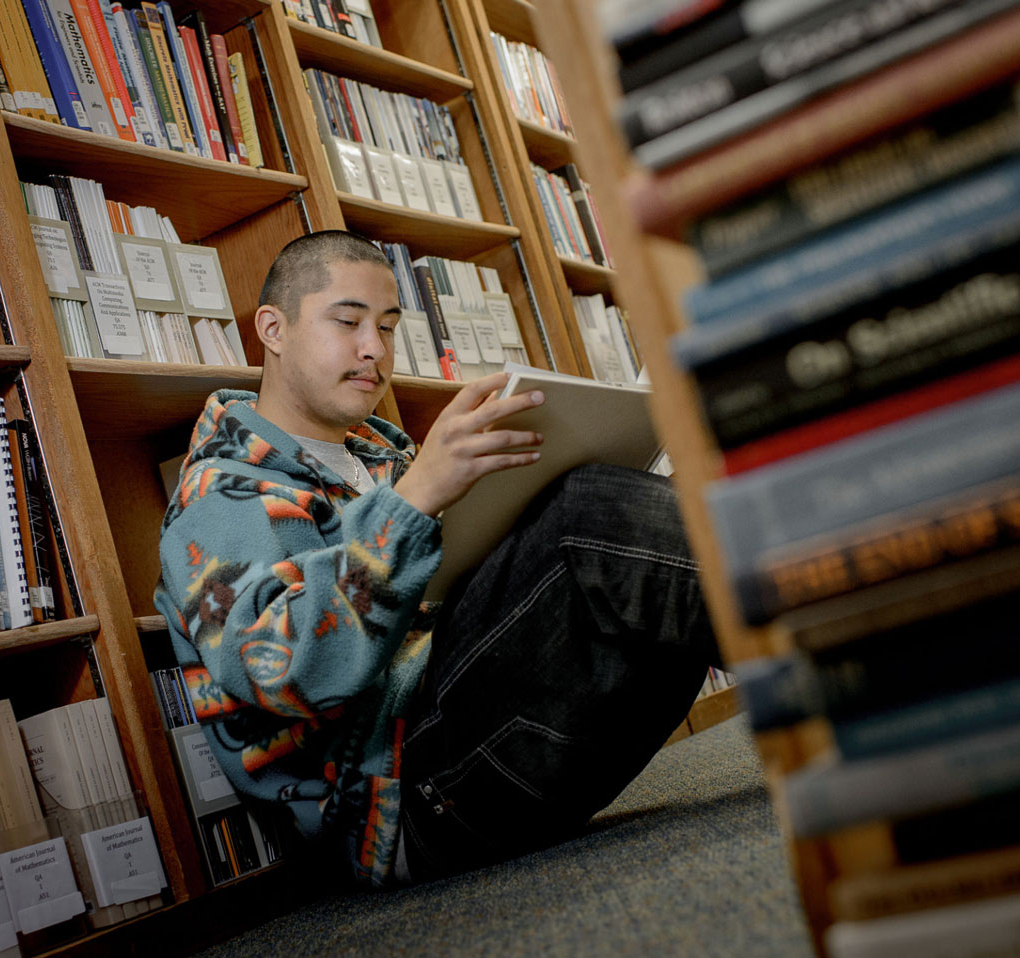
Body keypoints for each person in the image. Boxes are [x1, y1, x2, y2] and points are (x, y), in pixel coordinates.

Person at [154, 230, 719, 888]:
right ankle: (841, 623)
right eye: (348, 321)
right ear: (273, 330)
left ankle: (831, 620)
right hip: (403, 810)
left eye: (389, 327)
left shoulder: (380, 456)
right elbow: (286, 673)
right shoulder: (220, 499)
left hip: (471, 752)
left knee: (615, 544)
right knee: (585, 514)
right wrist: (418, 497)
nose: (375, 350)